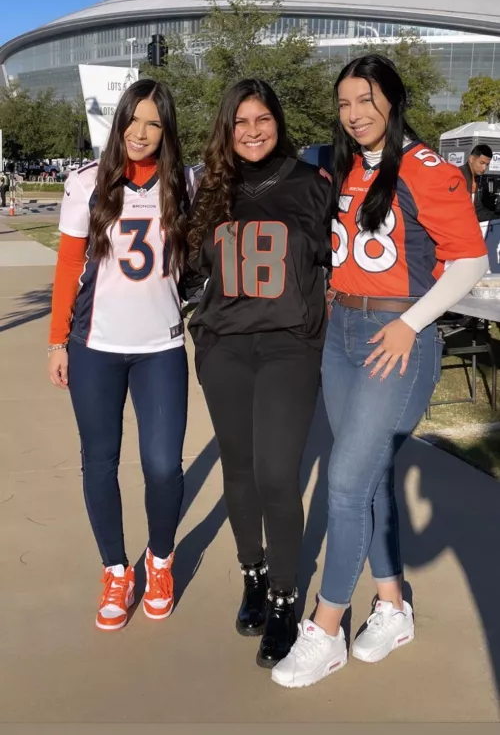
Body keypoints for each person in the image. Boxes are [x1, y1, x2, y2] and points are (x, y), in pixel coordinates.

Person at [272, 54, 489, 688]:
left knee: (344, 483)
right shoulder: (345, 166)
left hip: (395, 337)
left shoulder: (427, 169)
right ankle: (392, 605)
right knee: (367, 480)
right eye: (344, 103)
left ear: (393, 100)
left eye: (366, 100)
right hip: (342, 332)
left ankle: (325, 629)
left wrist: (411, 323)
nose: (354, 113)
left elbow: (470, 261)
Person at [187, 78, 331, 668]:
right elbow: (190, 268)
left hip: (287, 346)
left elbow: (338, 263)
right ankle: (254, 573)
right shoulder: (211, 189)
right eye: (240, 121)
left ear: (278, 121)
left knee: (276, 472)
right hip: (225, 347)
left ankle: (285, 596)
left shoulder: (312, 183)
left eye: (262, 119)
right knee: (240, 469)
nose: (252, 131)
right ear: (227, 128)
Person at [47, 79, 192, 631]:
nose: (141, 132)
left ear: (166, 129)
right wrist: (56, 341)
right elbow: (68, 265)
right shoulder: (86, 181)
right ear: (120, 120)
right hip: (95, 346)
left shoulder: (184, 182)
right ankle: (115, 570)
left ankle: (160, 561)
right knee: (99, 462)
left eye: (154, 122)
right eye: (134, 119)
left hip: (160, 347)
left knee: (163, 465)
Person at [460, 144, 497, 236]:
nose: (484, 168)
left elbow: (477, 209)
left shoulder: (475, 178)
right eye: (481, 163)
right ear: (471, 159)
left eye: (487, 165)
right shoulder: (459, 176)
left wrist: (495, 218)